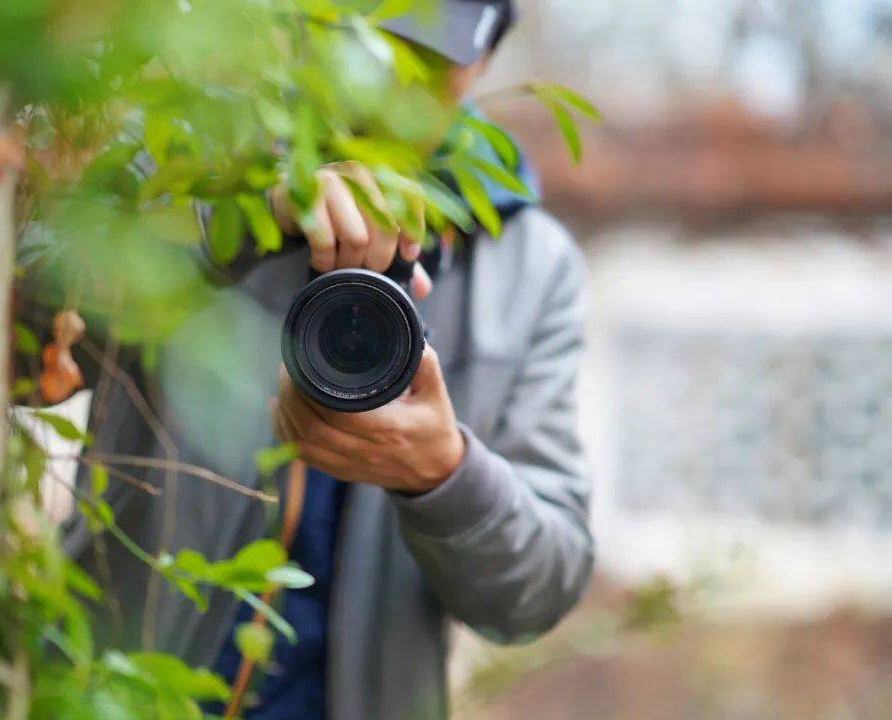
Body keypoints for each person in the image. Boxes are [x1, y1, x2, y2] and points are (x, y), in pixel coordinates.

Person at [68, 2, 594, 718]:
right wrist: (243, 218)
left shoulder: (529, 268)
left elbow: (540, 588)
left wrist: (445, 476)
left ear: (483, 62)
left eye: (427, 62)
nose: (388, 83)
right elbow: (35, 296)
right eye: (370, 43)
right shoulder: (192, 159)